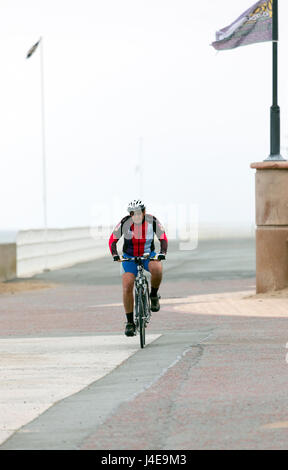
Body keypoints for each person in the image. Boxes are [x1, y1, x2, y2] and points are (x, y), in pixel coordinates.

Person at [109, 199, 168, 337]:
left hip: (148, 255)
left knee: (158, 269)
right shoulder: (125, 223)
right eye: (132, 213)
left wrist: (162, 253)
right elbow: (113, 240)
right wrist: (115, 255)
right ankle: (130, 322)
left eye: (138, 213)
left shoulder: (152, 221)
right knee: (128, 285)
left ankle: (153, 295)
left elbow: (163, 238)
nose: (135, 216)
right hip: (129, 257)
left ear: (144, 212)